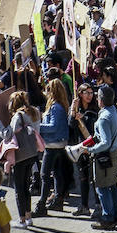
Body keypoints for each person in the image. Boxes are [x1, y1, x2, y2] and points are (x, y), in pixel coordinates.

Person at [0, 91, 42, 229]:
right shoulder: (33, 112)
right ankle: (28, 216)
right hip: (31, 153)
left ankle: (22, 220)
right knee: (26, 186)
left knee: (19, 188)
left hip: (20, 155)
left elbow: (7, 135)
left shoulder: (17, 116)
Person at [88, 85, 117, 230]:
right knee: (113, 185)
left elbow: (105, 142)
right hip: (114, 153)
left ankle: (108, 218)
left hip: (105, 156)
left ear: (101, 100)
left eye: (98, 97)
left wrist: (90, 149)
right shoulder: (116, 111)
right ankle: (116, 216)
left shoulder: (104, 117)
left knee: (102, 187)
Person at [34, 78, 69, 217]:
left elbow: (53, 127)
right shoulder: (61, 106)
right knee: (57, 174)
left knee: (45, 175)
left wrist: (37, 127)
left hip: (53, 144)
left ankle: (42, 204)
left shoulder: (55, 107)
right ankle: (58, 201)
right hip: (59, 143)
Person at [69, 82, 99, 217]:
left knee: (94, 179)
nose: (90, 96)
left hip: (93, 147)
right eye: (87, 93)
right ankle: (84, 206)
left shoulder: (95, 109)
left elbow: (95, 126)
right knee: (83, 178)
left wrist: (84, 118)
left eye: (91, 93)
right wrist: (72, 110)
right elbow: (71, 126)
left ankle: (98, 206)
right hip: (81, 147)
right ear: (80, 94)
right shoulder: (76, 109)